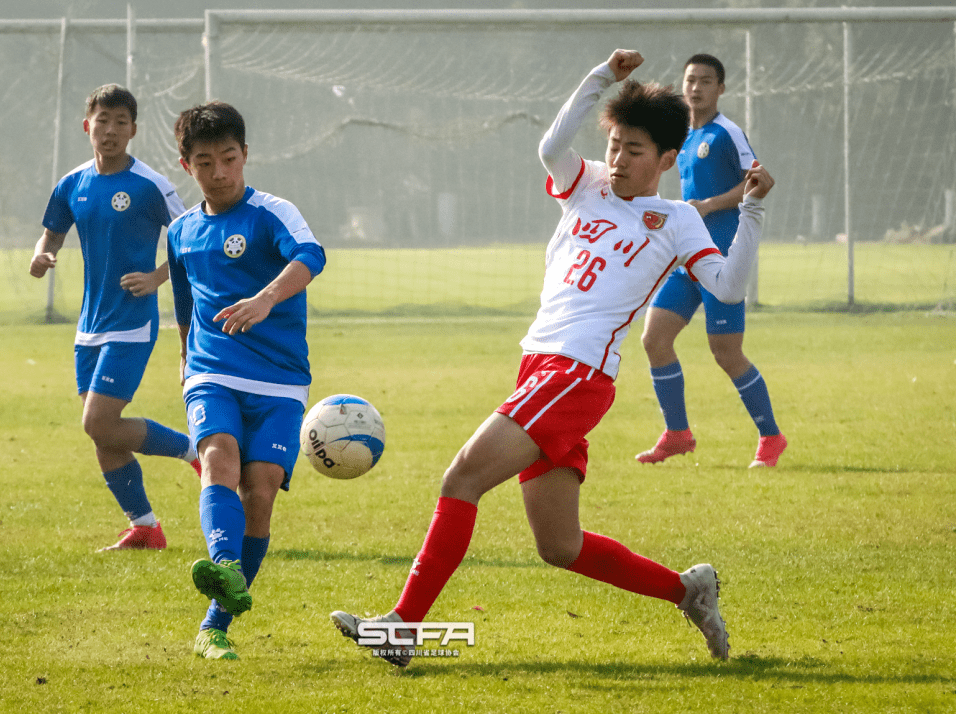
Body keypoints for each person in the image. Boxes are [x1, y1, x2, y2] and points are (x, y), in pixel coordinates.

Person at [330, 49, 775, 667]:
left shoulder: (675, 220)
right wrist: (601, 79)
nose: (618, 159)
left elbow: (727, 287)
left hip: (577, 374)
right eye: (615, 144)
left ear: (668, 160)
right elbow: (550, 146)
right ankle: (687, 589)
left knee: (461, 477)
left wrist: (751, 210)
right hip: (540, 367)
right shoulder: (586, 181)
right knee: (559, 546)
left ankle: (402, 628)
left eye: (635, 151)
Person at [166, 101, 326, 660]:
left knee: (258, 494)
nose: (220, 172)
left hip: (281, 380)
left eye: (229, 159)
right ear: (187, 166)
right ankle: (226, 563)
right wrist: (186, 355)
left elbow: (312, 255)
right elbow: (184, 302)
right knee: (218, 460)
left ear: (245, 156)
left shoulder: (272, 213)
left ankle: (214, 626)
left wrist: (265, 298)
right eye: (205, 162)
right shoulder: (182, 231)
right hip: (211, 372)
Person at [30, 84, 200, 552]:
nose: (110, 131)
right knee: (103, 433)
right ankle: (145, 527)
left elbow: (192, 241)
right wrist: (42, 256)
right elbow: (50, 236)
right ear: (88, 126)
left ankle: (195, 452)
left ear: (134, 130)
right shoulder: (73, 184)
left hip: (132, 323)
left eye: (120, 123)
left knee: (98, 423)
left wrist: (157, 277)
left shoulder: (150, 184)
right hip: (89, 327)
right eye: (102, 121)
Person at [636, 54, 787, 468]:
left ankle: (771, 437)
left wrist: (709, 206)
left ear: (721, 88)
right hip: (686, 256)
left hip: (722, 256)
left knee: (726, 352)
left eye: (706, 81)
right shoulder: (680, 136)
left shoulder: (726, 133)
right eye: (690, 80)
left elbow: (756, 179)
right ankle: (677, 434)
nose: (696, 87)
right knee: (654, 339)